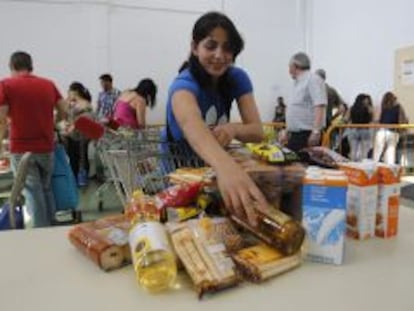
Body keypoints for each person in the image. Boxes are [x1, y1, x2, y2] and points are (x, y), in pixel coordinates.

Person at [164, 11, 269, 226]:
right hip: (179, 177)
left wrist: (233, 129)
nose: (220, 55)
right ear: (195, 48)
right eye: (211, 46)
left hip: (211, 175)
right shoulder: (183, 85)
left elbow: (257, 130)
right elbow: (192, 125)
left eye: (227, 48)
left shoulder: (236, 78)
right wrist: (226, 166)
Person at [0, 51, 67, 227]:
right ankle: (51, 225)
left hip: (22, 149)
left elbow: (1, 118)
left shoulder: (6, 85)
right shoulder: (48, 84)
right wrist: (55, 123)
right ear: (30, 66)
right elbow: (64, 109)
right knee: (46, 188)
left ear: (12, 67)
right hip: (46, 146)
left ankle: (42, 232)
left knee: (32, 191)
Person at [280, 52, 327, 152]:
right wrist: (288, 131)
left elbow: (319, 105)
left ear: (295, 66)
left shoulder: (313, 79)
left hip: (307, 134)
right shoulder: (296, 83)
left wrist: (316, 132)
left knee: (306, 165)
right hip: (296, 134)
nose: (288, 70)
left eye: (289, 66)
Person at [62, 82, 94, 186]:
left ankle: (82, 177)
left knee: (82, 156)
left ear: (76, 92)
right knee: (73, 157)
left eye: (70, 91)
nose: (69, 93)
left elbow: (86, 115)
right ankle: (75, 177)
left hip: (81, 134)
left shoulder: (84, 103)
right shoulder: (72, 102)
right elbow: (66, 113)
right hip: (73, 135)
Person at [373, 91, 408, 164]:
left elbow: (377, 120)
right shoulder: (398, 107)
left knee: (377, 152)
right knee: (390, 153)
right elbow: (402, 120)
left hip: (381, 131)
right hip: (393, 131)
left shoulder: (382, 107)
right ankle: (389, 170)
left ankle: (374, 168)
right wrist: (403, 130)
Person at [347, 93, 374, 161]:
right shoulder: (368, 108)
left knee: (353, 150)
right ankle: (363, 166)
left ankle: (352, 164)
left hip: (353, 129)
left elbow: (347, 118)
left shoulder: (352, 108)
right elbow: (372, 118)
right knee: (364, 151)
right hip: (365, 129)